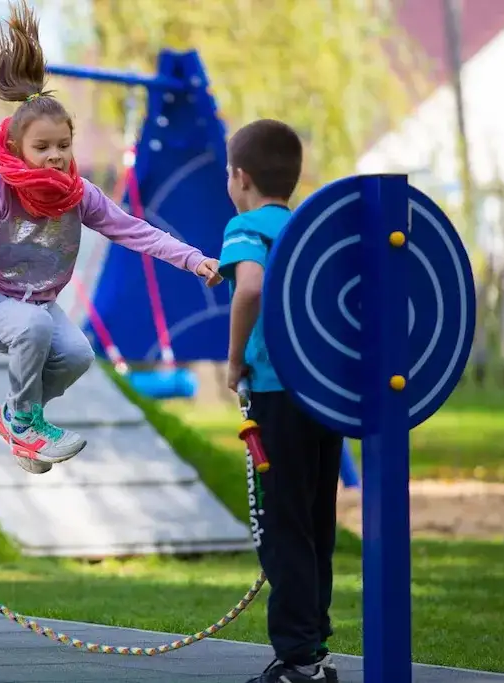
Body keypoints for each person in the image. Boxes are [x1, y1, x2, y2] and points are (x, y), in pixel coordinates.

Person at [0, 0, 222, 475]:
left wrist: (193, 259)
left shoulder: (79, 195)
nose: (55, 156)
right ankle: (26, 424)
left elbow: (135, 231)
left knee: (77, 355)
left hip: (37, 301)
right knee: (32, 328)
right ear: (16, 147)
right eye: (42, 148)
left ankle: (18, 419)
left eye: (63, 146)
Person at [218, 119, 343, 683]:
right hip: (323, 396)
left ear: (239, 177)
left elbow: (249, 287)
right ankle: (313, 647)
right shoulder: (306, 230)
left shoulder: (246, 227)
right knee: (316, 521)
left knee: (282, 525)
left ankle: (296, 660)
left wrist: (234, 357)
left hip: (274, 393)